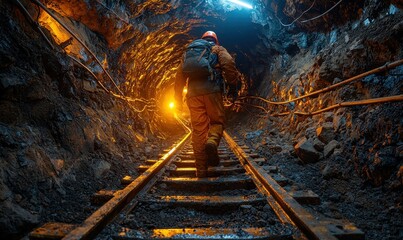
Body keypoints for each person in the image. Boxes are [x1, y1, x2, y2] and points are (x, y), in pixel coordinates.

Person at [174, 31, 242, 177]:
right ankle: (212, 141)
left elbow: (179, 77)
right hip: (212, 91)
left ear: (202, 39)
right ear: (215, 40)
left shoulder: (190, 52)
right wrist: (233, 85)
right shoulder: (217, 49)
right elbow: (229, 63)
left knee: (198, 131)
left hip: (192, 94)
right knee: (217, 122)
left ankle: (201, 170)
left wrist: (177, 100)